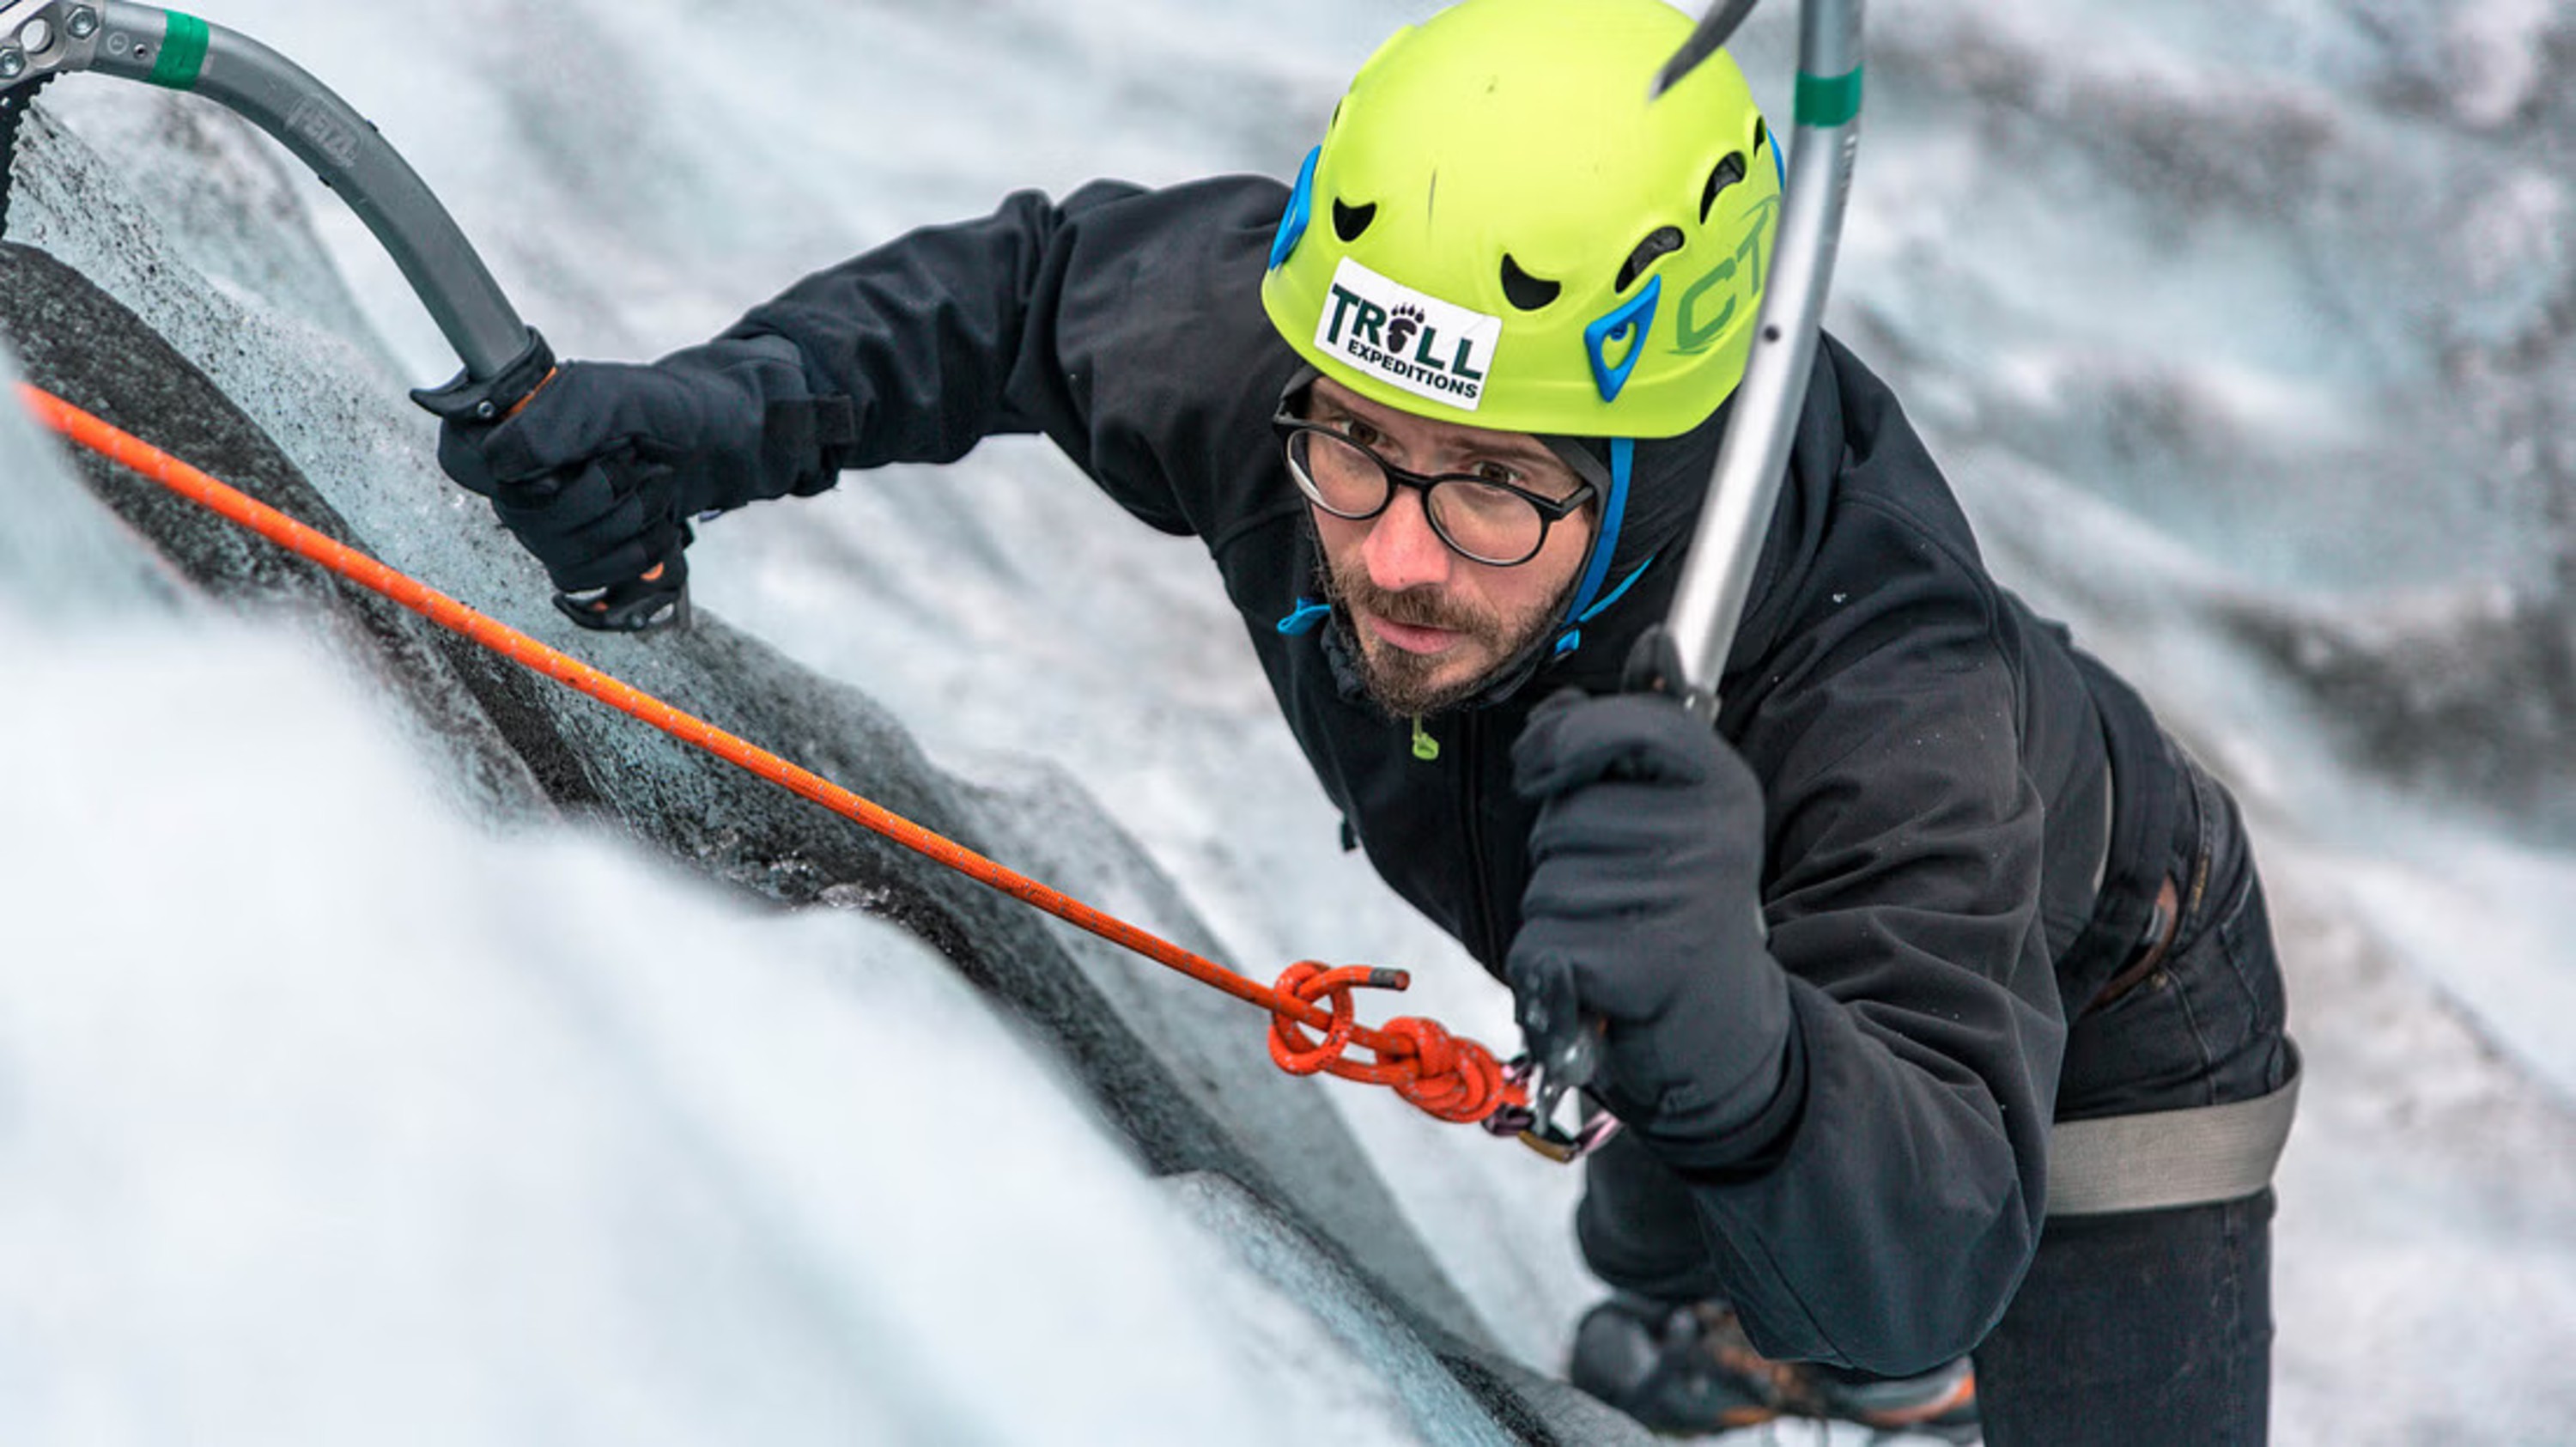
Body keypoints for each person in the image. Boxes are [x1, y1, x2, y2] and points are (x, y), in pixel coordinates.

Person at [422, 1, 2298, 1441]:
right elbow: (1019, 299)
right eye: (1356, 454)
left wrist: (1740, 1053)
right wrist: (715, 417)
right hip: (1690, 906)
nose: (1395, 557)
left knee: (1839, 1284)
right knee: (1646, 1251)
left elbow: (1935, 1267)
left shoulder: (1891, 705)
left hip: (2110, 990)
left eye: (1494, 490)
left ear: (1650, 461)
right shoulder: (1307, 361)